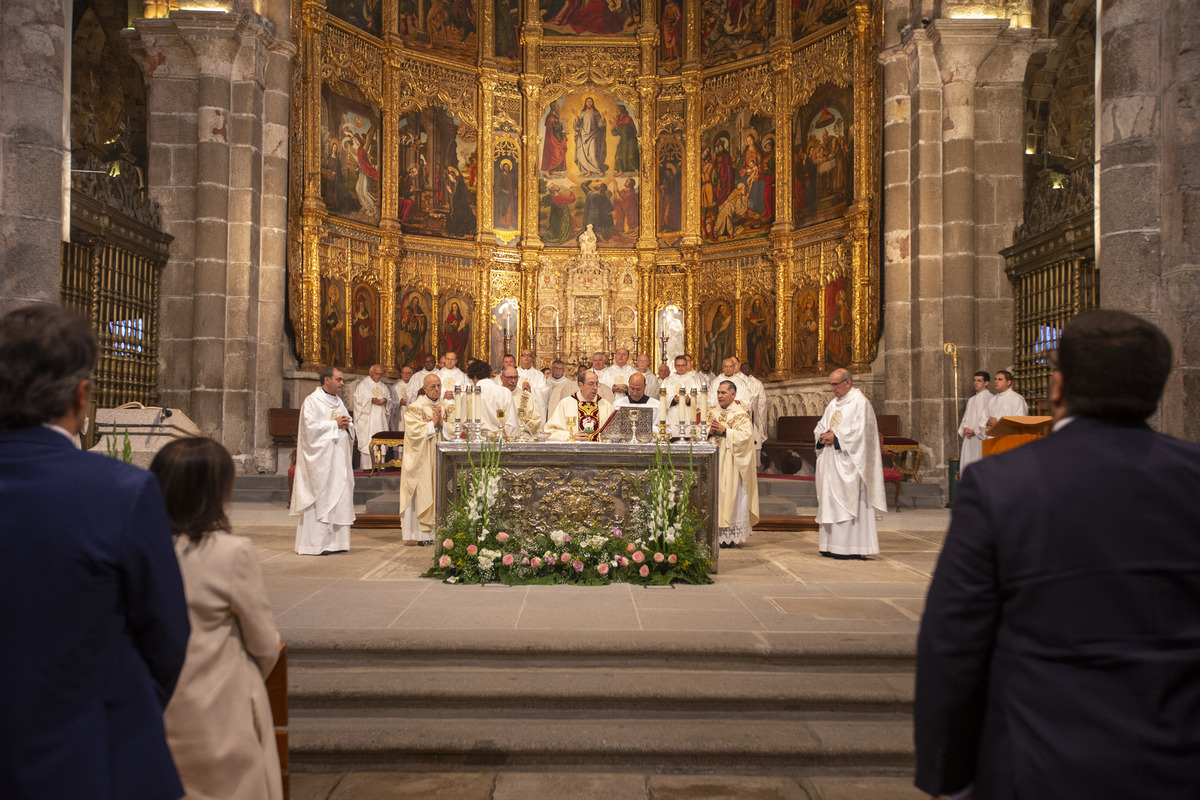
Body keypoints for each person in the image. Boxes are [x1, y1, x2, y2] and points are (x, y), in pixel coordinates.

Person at [915, 310, 1200, 799]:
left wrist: (949, 776)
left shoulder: (1000, 484)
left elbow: (954, 637)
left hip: (1039, 758)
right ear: (1155, 389)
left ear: (1058, 387)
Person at [0, 304, 190, 800]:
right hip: (97, 760)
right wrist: (118, 710)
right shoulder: (121, 493)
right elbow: (167, 637)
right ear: (82, 397)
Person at [150, 438, 283, 800]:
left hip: (159, 706)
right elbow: (264, 643)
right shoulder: (230, 552)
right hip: (223, 707)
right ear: (213, 493)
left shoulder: (140, 551)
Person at [813, 369, 886, 558]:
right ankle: (830, 545)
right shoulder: (833, 404)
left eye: (835, 384)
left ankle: (850, 547)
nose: (832, 389)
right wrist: (822, 437)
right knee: (830, 502)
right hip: (831, 462)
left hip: (850, 463)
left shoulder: (860, 403)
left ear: (848, 383)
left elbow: (863, 435)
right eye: (831, 384)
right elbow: (821, 426)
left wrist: (836, 438)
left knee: (848, 503)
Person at [290, 366, 356, 555]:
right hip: (320, 462)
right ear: (326, 380)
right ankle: (315, 544)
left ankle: (336, 543)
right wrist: (334, 425)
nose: (342, 384)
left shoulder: (338, 402)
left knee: (338, 496)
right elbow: (309, 430)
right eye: (339, 380)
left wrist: (348, 425)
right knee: (321, 497)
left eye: (342, 380)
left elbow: (348, 423)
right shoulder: (312, 401)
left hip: (338, 461)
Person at [398, 373, 451, 544]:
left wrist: (443, 424)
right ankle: (423, 535)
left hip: (441, 457)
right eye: (433, 386)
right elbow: (412, 433)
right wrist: (431, 424)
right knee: (424, 489)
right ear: (425, 388)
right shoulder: (415, 407)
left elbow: (457, 429)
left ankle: (440, 533)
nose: (437, 389)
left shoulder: (448, 407)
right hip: (423, 458)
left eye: (439, 386)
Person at [708, 380, 759, 548]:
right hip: (714, 460)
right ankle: (712, 532)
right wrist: (709, 431)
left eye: (723, 393)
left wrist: (725, 432)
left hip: (731, 462)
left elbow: (746, 438)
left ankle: (727, 537)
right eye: (718, 392)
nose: (720, 396)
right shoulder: (711, 413)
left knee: (731, 495)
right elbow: (699, 433)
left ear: (733, 394)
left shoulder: (741, 415)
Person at [546, 369, 613, 441]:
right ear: (581, 385)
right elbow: (550, 431)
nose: (595, 388)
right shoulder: (565, 404)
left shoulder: (606, 405)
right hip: (573, 450)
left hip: (600, 450)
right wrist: (570, 436)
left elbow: (615, 433)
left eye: (596, 384)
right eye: (591, 384)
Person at [459, 359, 519, 439]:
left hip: (476, 443)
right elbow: (512, 424)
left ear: (474, 377)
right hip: (499, 444)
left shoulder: (469, 395)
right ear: (489, 374)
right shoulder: (504, 392)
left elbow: (463, 423)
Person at [352, 363, 394, 469]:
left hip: (380, 419)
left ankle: (380, 465)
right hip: (368, 419)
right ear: (371, 373)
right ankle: (367, 466)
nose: (379, 376)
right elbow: (357, 400)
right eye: (376, 374)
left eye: (380, 374)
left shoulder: (383, 386)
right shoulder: (363, 385)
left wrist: (385, 401)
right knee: (368, 441)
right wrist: (370, 400)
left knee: (380, 439)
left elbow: (389, 400)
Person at [955, 371, 991, 474]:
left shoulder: (990, 399)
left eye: (979, 381)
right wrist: (965, 428)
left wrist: (975, 431)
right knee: (967, 465)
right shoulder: (972, 399)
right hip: (969, 438)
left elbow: (987, 420)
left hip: (980, 438)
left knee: (979, 466)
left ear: (986, 383)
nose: (976, 383)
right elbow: (966, 418)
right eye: (975, 380)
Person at [739, 359, 768, 466]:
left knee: (756, 436)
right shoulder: (737, 381)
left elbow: (762, 401)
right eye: (743, 368)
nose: (745, 370)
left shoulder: (757, 383)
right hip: (741, 415)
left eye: (747, 368)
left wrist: (758, 411)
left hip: (754, 415)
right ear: (740, 369)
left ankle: (755, 464)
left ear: (751, 370)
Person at [500, 365, 542, 438]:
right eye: (510, 378)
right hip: (500, 437)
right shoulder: (496, 396)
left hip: (522, 437)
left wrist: (521, 424)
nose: (513, 381)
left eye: (516, 377)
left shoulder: (527, 397)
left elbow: (536, 420)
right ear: (502, 378)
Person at [391, 364, 414, 431]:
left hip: (411, 414)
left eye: (408, 373)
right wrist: (399, 403)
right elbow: (391, 402)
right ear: (401, 374)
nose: (406, 375)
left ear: (412, 374)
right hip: (399, 414)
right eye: (404, 373)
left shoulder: (414, 386)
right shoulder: (395, 387)